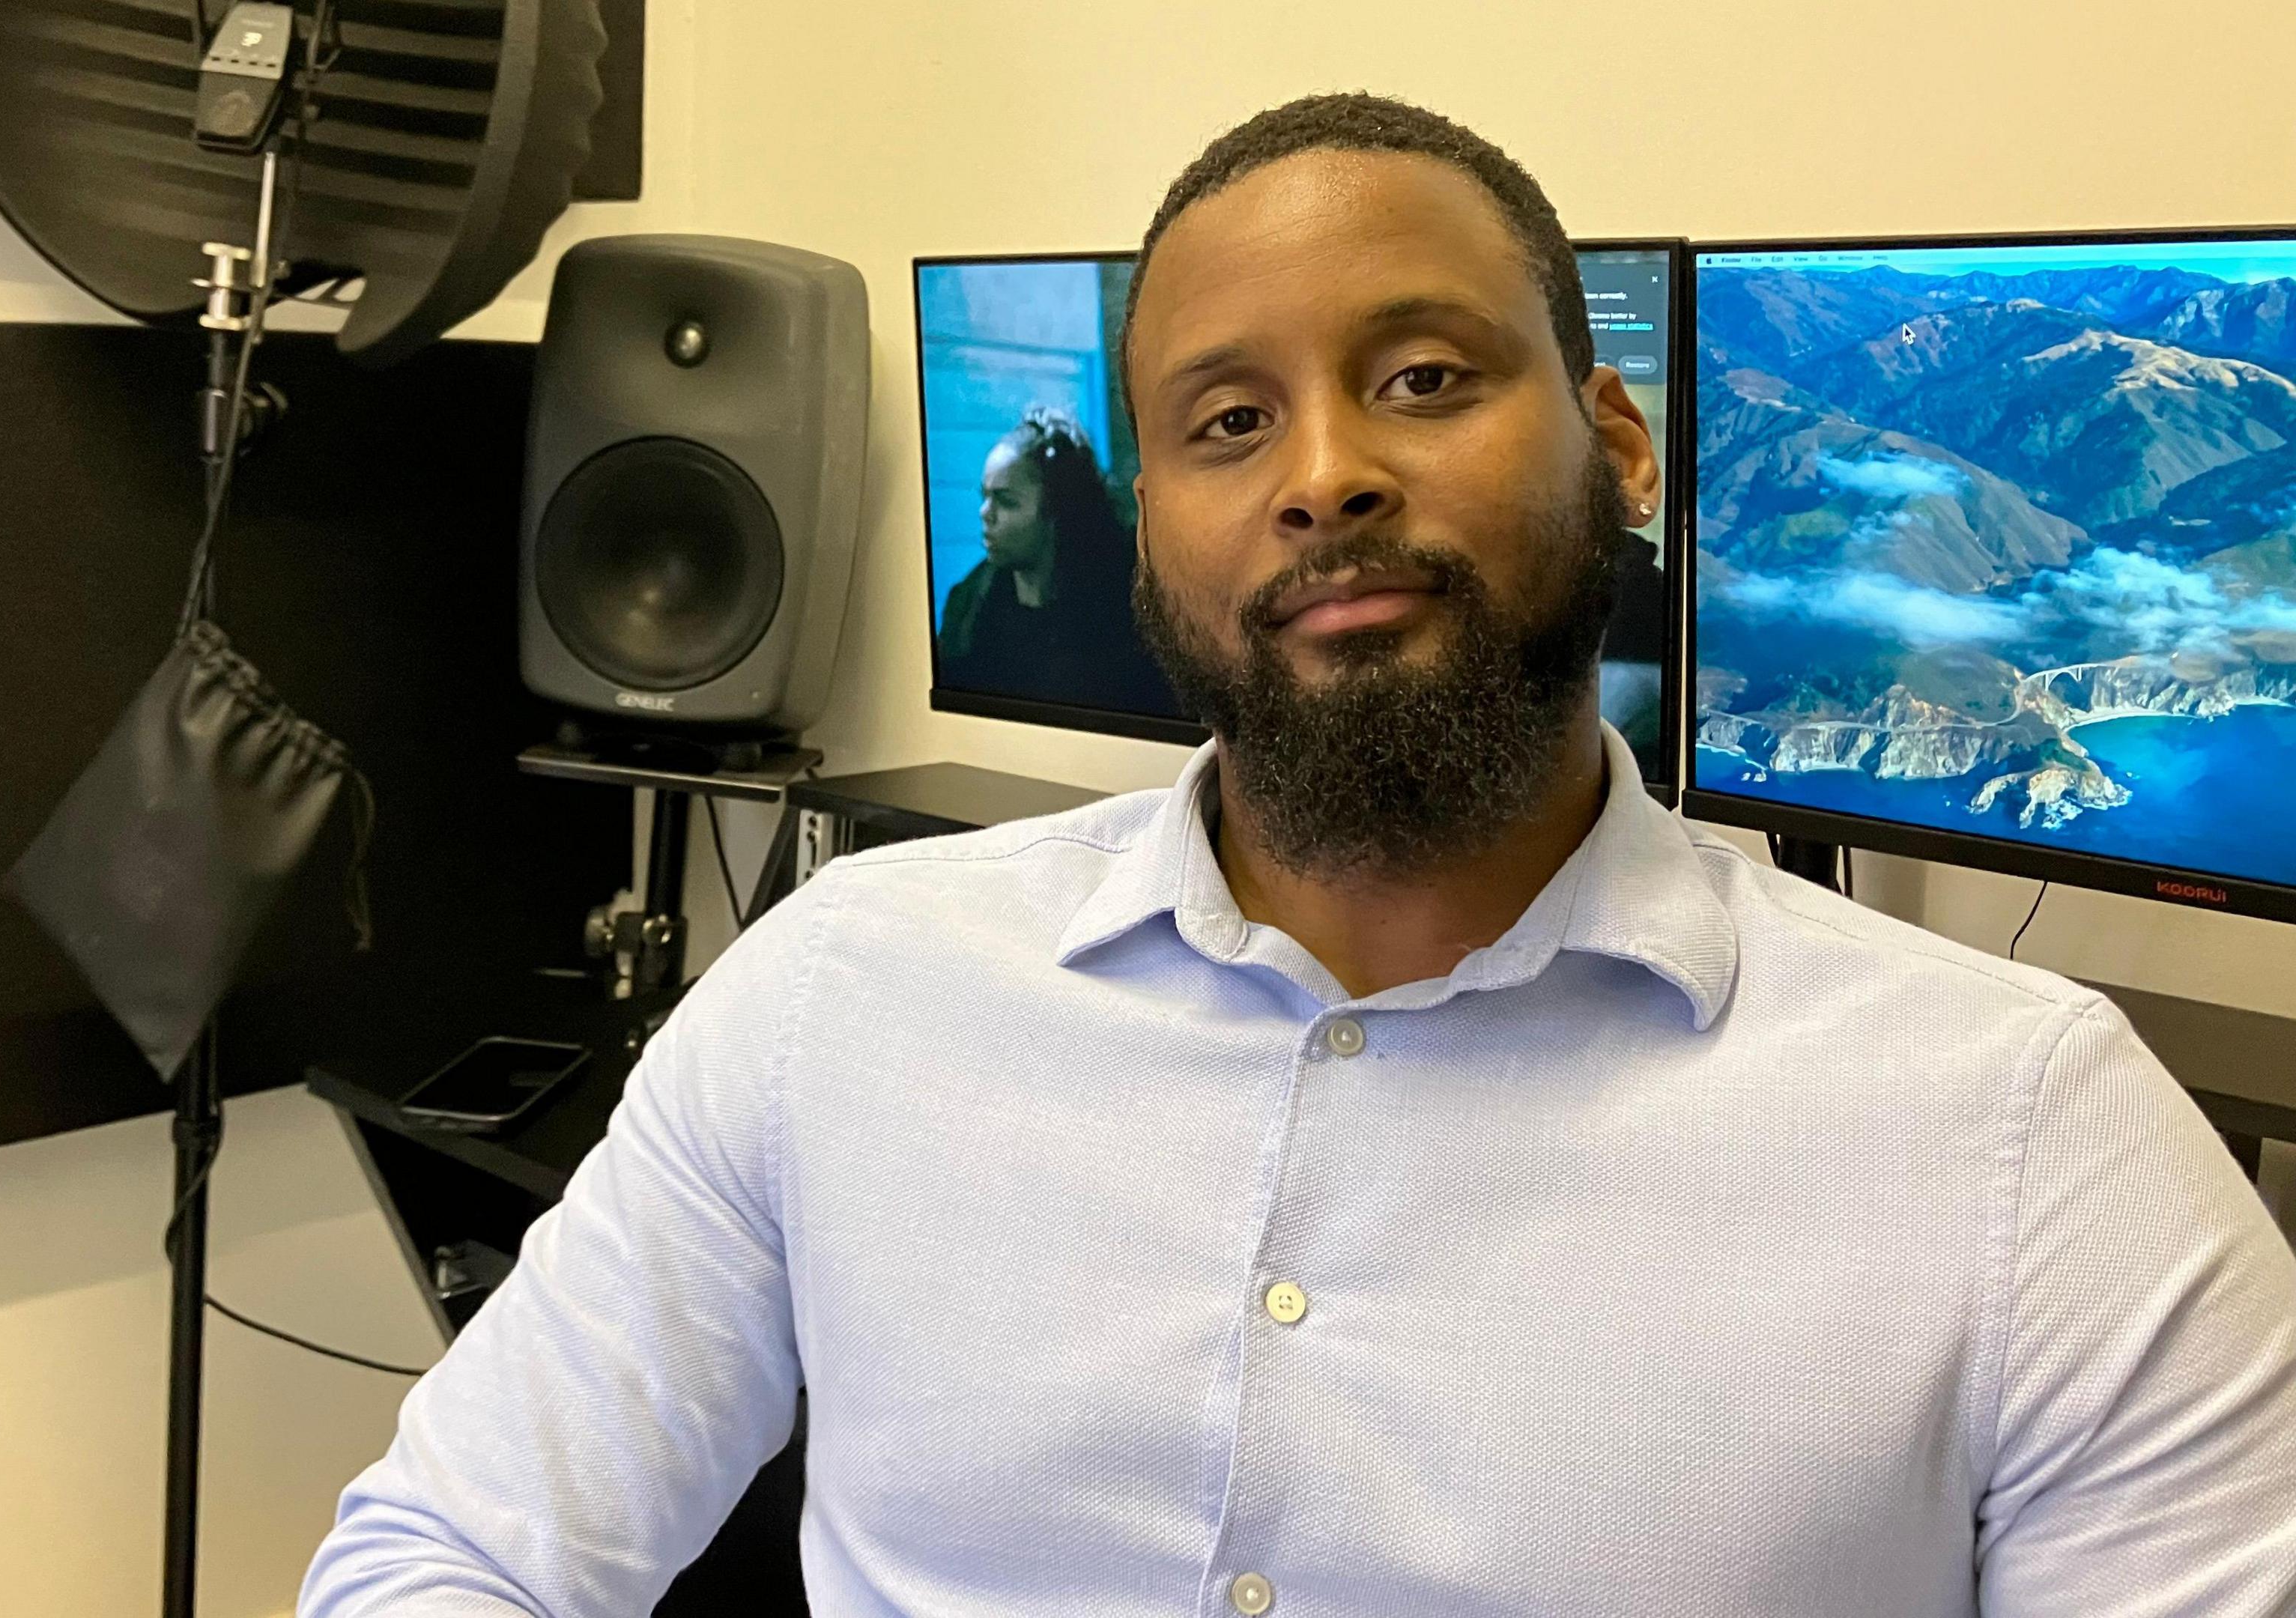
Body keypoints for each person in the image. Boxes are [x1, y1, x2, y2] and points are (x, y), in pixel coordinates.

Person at [302, 94, 2296, 1617]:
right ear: (1147, 520)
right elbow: (453, 1547)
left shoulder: (2036, 1142)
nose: (1325, 470)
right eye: (1226, 418)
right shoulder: (842, 991)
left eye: (1424, 378)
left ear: (1618, 445)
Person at [935, 405, 1178, 715]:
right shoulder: (970, 604)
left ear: (1057, 509)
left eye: (1006, 501)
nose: (986, 514)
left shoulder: (1124, 605)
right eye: (985, 496)